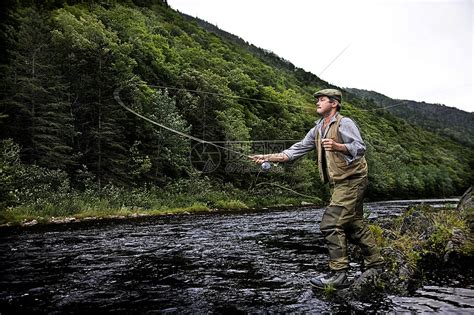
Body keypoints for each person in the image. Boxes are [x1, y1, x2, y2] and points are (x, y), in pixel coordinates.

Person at [250, 88, 384, 289]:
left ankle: (339, 275)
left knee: (330, 224)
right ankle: (376, 264)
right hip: (340, 183)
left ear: (334, 103)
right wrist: (268, 157)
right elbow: (295, 151)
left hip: (353, 180)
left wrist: (339, 146)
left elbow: (360, 147)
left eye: (322, 100)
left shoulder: (344, 123)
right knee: (353, 224)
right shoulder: (318, 129)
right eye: (318, 100)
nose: (317, 103)